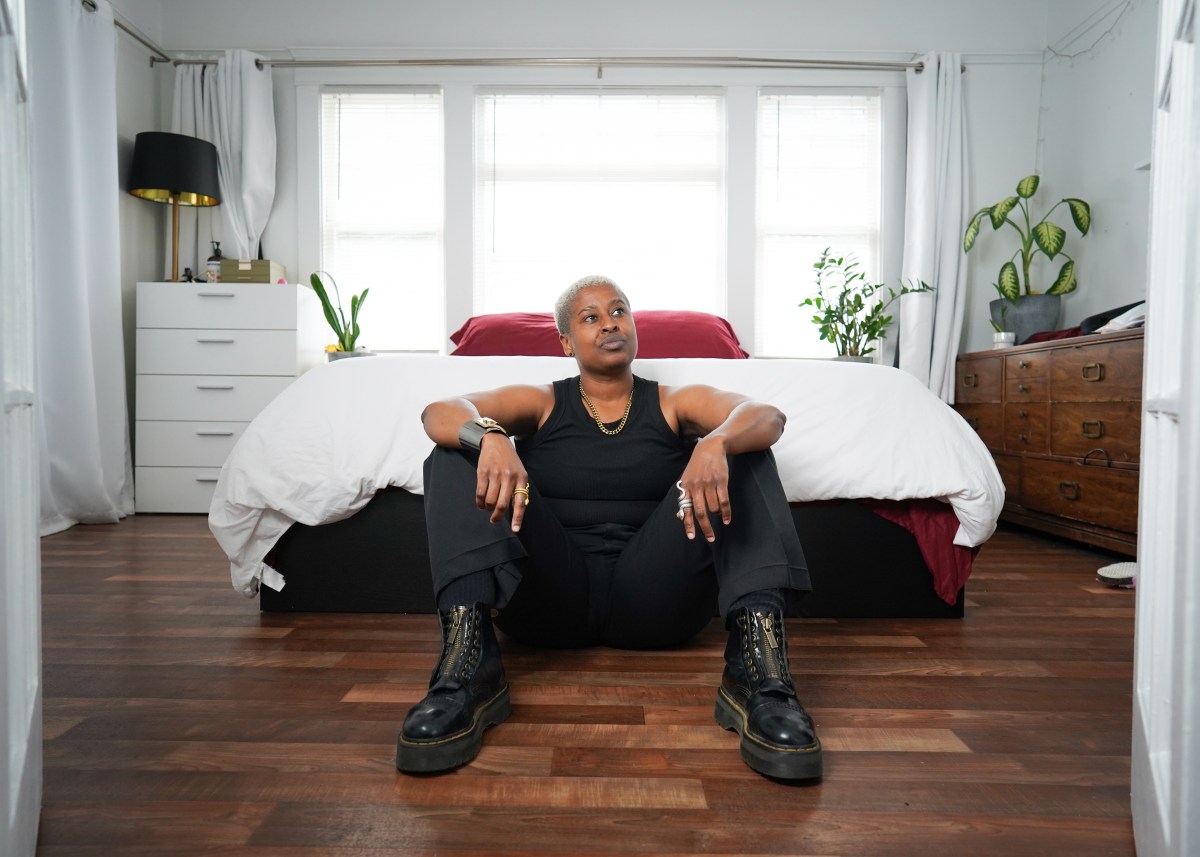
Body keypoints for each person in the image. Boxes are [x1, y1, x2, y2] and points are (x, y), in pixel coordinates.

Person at [396, 275, 821, 781]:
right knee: (454, 450)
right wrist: (489, 437)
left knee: (747, 452)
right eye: (590, 317)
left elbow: (764, 415)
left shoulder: (672, 402)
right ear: (565, 341)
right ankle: (464, 671)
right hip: (549, 597)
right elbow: (439, 413)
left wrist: (716, 443)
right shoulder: (543, 401)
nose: (609, 323)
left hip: (655, 599)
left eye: (618, 311)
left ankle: (761, 677)